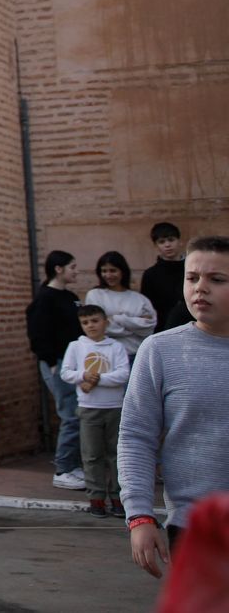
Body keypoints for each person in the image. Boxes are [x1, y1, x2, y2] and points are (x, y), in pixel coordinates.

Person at [117, 235, 229, 580]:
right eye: (192, 278)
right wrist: (139, 515)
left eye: (217, 279)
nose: (200, 289)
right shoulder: (160, 351)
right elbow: (136, 436)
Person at [58, 304, 129, 517]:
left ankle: (118, 497)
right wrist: (83, 376)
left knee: (116, 455)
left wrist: (97, 379)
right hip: (89, 409)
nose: (91, 326)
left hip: (114, 408)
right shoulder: (76, 346)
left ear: (105, 322)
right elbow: (66, 373)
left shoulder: (115, 347)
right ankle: (96, 498)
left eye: (95, 321)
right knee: (91, 455)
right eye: (85, 322)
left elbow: (123, 374)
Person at [24, 250, 84, 490]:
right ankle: (64, 469)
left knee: (79, 415)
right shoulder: (44, 298)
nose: (76, 271)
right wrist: (51, 363)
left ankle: (74, 464)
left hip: (75, 364)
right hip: (57, 363)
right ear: (58, 269)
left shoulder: (70, 297)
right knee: (70, 414)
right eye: (72, 267)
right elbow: (37, 335)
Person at [83, 250, 156, 359]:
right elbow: (99, 328)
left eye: (113, 270)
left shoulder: (139, 299)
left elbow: (149, 328)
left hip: (136, 356)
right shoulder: (95, 295)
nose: (108, 275)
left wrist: (116, 318)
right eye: (104, 271)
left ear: (122, 271)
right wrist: (134, 326)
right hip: (107, 357)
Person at [140, 222, 187, 332]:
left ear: (180, 241)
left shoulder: (192, 269)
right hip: (163, 328)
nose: (167, 245)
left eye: (171, 240)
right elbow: (148, 308)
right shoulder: (150, 275)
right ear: (156, 246)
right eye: (161, 242)